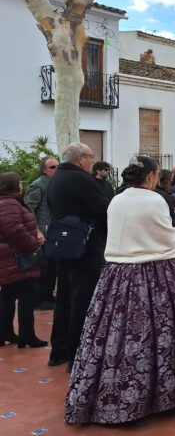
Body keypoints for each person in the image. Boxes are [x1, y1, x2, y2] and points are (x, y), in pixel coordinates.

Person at [65, 156, 175, 425]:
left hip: (117, 272)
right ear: (152, 176)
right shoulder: (154, 199)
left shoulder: (117, 199)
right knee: (165, 333)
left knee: (115, 333)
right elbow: (168, 238)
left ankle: (112, 399)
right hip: (156, 270)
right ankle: (167, 394)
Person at [46, 143, 109, 371]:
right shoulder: (82, 180)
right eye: (91, 157)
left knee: (63, 298)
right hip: (84, 248)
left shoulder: (56, 178)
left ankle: (58, 352)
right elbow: (103, 210)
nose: (93, 161)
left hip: (62, 246)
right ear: (80, 158)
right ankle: (76, 357)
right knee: (81, 300)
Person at [0, 172, 46, 348]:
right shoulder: (10, 204)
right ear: (14, 185)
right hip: (18, 260)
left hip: (10, 260)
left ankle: (5, 333)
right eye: (20, 182)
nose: (21, 184)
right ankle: (27, 336)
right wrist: (33, 243)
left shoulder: (9, 203)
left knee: (7, 296)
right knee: (26, 298)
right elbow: (15, 231)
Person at [24, 156, 58, 310]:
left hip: (53, 232)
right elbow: (29, 209)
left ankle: (48, 296)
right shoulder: (38, 185)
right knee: (42, 269)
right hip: (42, 234)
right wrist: (37, 231)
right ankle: (39, 300)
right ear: (44, 170)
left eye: (58, 166)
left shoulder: (55, 183)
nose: (56, 170)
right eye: (52, 167)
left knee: (52, 268)